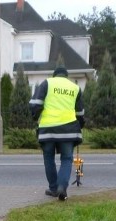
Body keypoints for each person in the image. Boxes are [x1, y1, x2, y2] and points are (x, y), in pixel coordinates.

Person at [29, 66, 85, 201]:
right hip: (69, 130)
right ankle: (62, 187)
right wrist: (80, 125)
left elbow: (35, 104)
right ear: (66, 76)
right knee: (66, 159)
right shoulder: (75, 88)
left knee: (49, 158)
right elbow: (80, 113)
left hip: (48, 129)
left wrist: (35, 117)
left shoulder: (47, 83)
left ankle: (53, 188)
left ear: (55, 75)